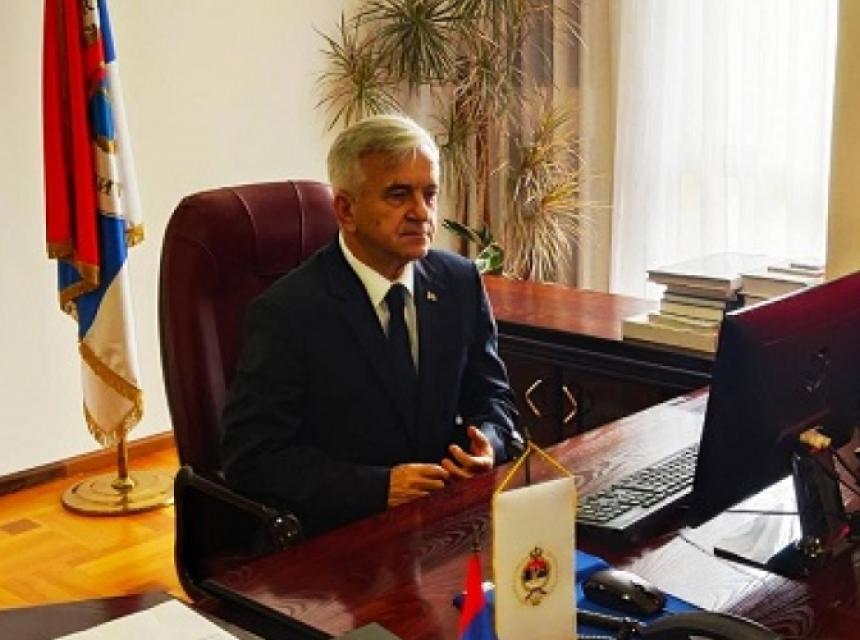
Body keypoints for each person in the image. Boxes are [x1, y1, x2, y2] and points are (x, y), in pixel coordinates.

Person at [221, 113, 520, 536]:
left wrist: (490, 442)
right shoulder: (287, 312)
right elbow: (252, 459)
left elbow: (493, 396)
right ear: (346, 209)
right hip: (345, 534)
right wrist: (377, 488)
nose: (422, 213)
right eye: (398, 195)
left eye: (430, 194)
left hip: (447, 520)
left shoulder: (460, 282)